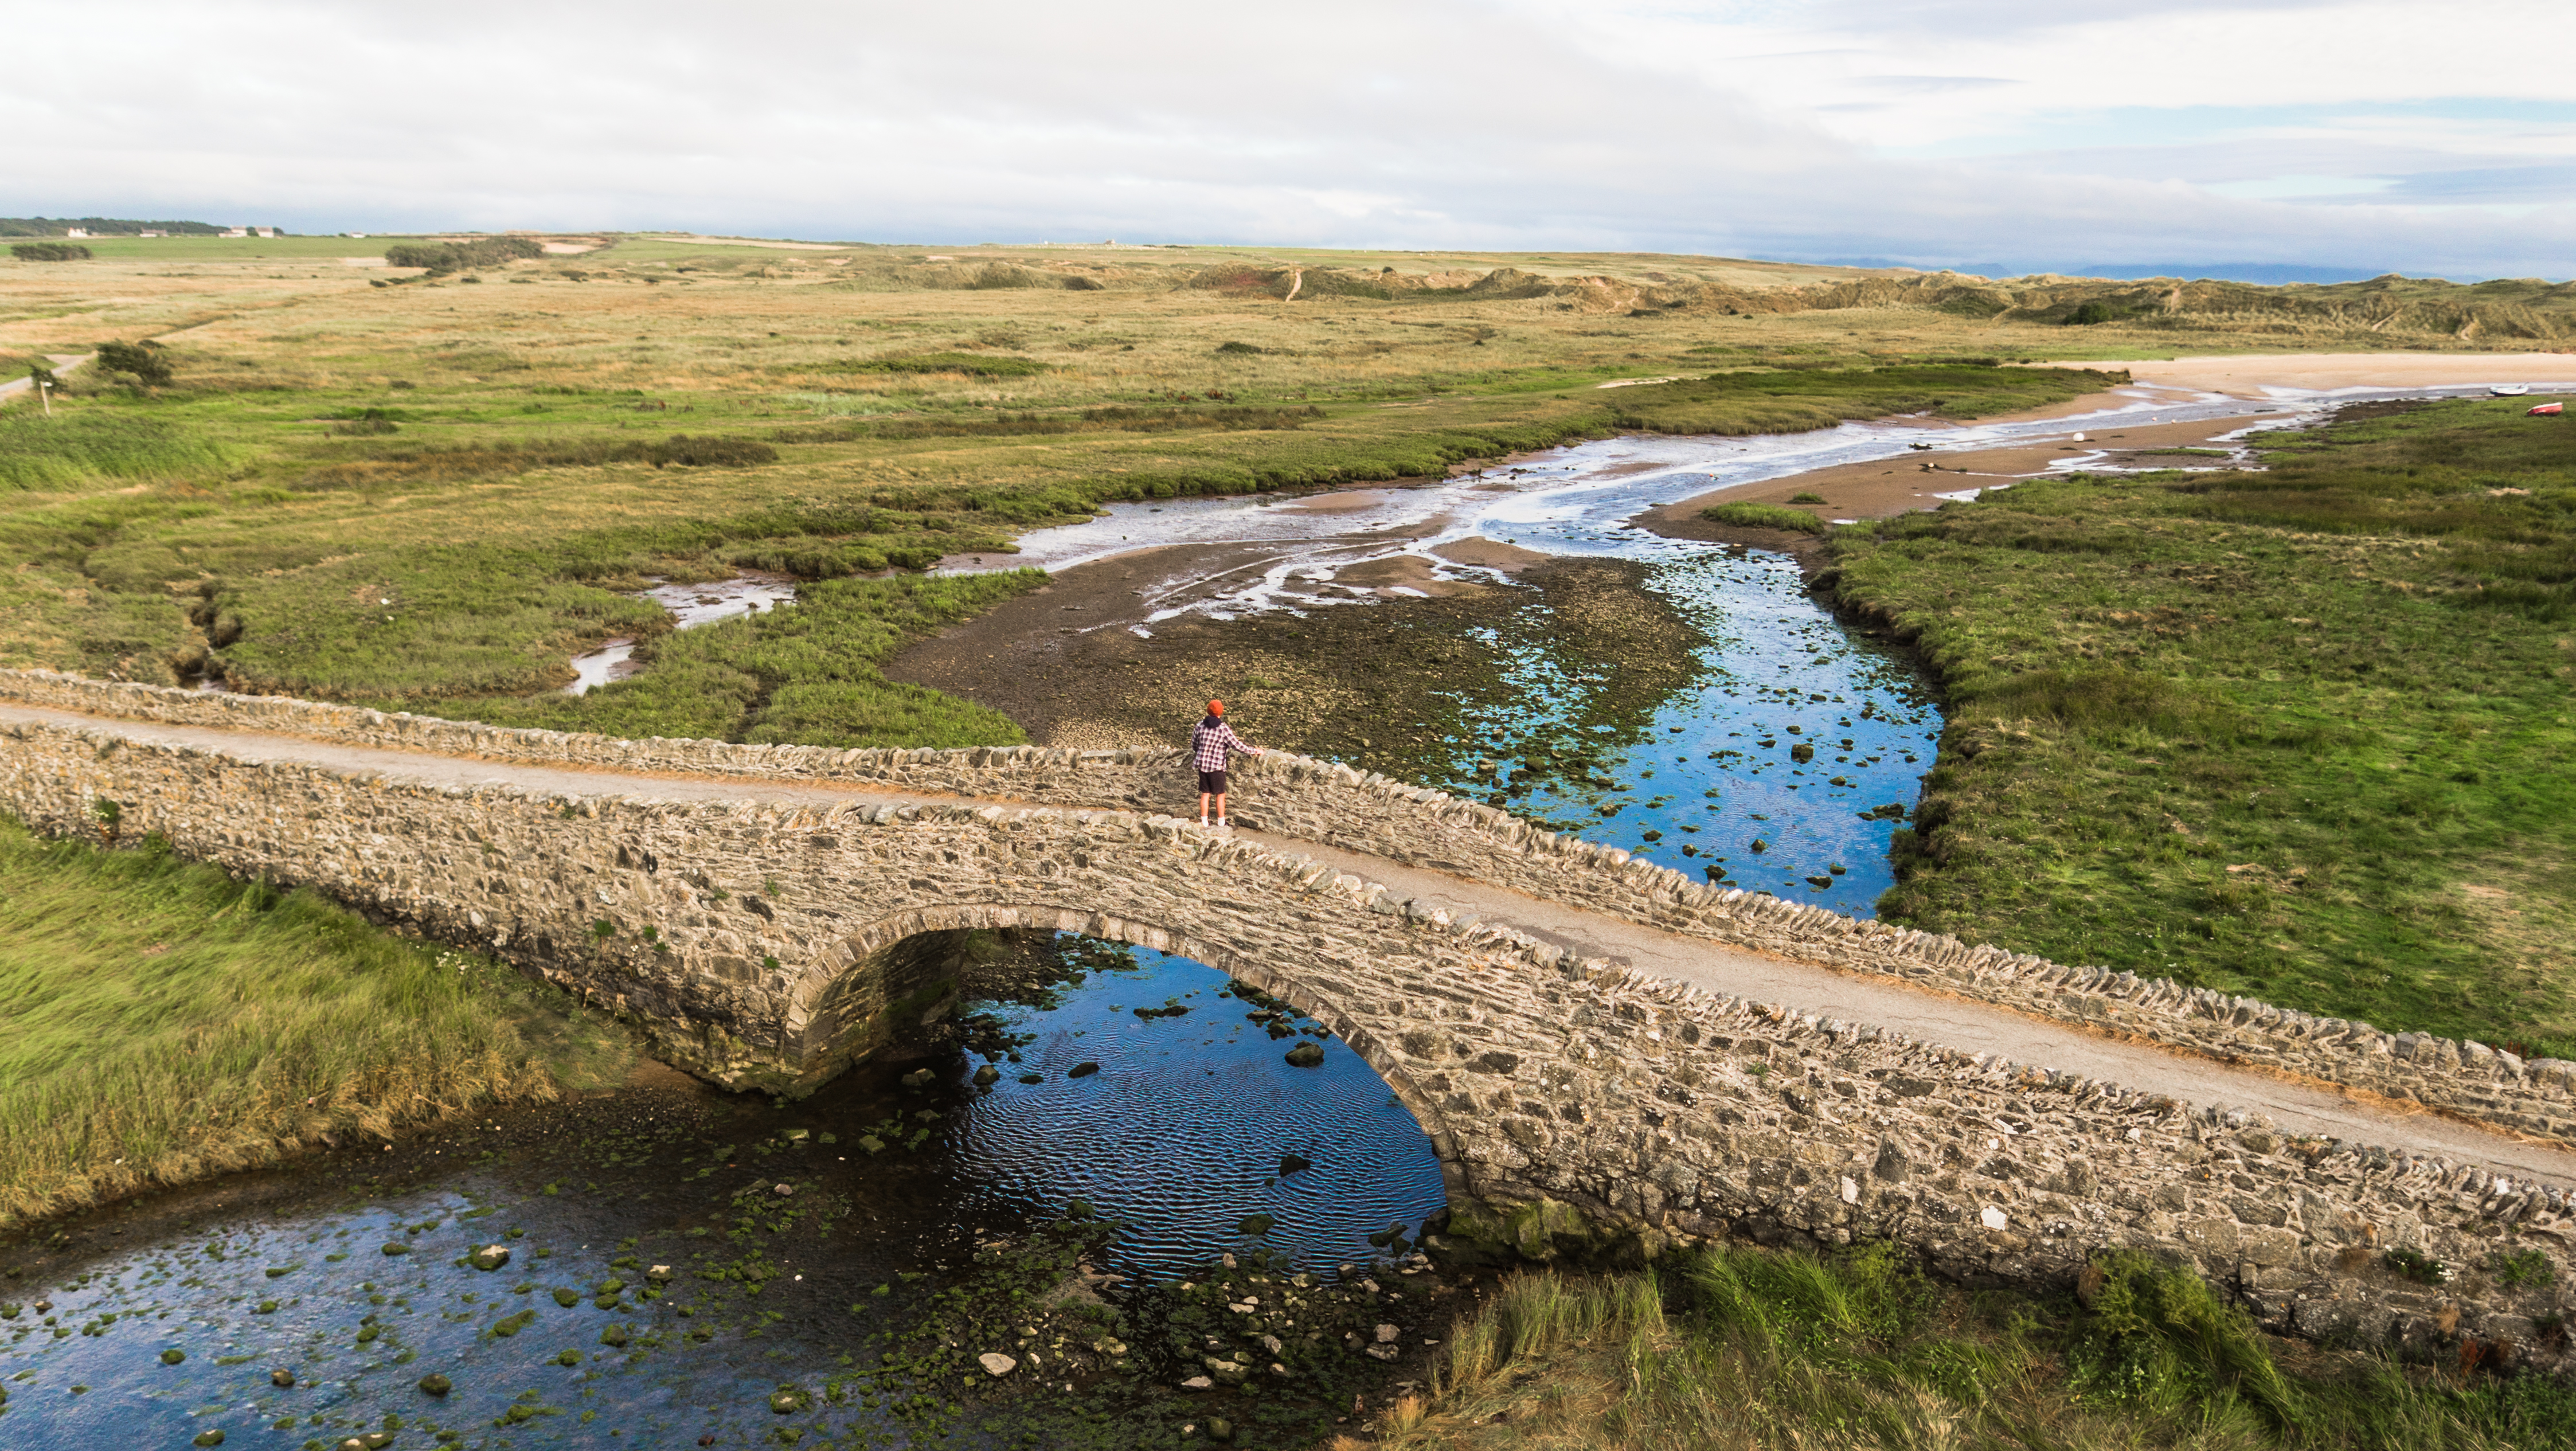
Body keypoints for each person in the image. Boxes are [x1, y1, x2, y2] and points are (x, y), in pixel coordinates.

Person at [1190, 699, 1262, 828]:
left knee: (1205, 794)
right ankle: (1221, 822)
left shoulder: (1200, 725)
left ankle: (1204, 823)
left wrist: (1200, 752)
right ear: (1220, 712)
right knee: (1220, 794)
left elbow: (1194, 744)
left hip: (1202, 764)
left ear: (1208, 711)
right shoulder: (1223, 728)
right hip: (1217, 766)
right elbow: (1237, 745)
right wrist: (1254, 750)